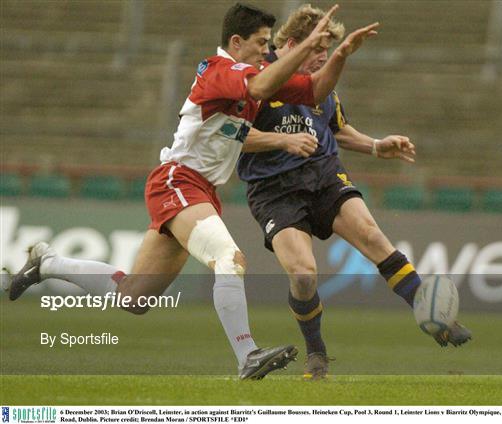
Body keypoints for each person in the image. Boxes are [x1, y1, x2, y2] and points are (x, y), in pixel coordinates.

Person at [9, 3, 380, 380]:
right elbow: (262, 86)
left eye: (269, 43)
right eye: (260, 42)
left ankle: (48, 264)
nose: (265, 50)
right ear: (236, 42)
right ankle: (247, 355)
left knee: (134, 297)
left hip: (200, 190)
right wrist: (304, 47)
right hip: (178, 180)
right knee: (229, 258)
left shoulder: (253, 74)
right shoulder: (219, 69)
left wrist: (341, 54)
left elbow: (314, 89)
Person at [237, 4, 472, 380]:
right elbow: (231, 136)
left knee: (372, 237)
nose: (323, 61)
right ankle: (316, 353)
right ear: (295, 44)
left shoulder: (321, 85)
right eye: (318, 52)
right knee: (303, 275)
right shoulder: (255, 77)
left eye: (328, 54)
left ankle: (438, 320)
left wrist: (378, 146)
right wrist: (281, 141)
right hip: (273, 189)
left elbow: (338, 128)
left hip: (323, 175)